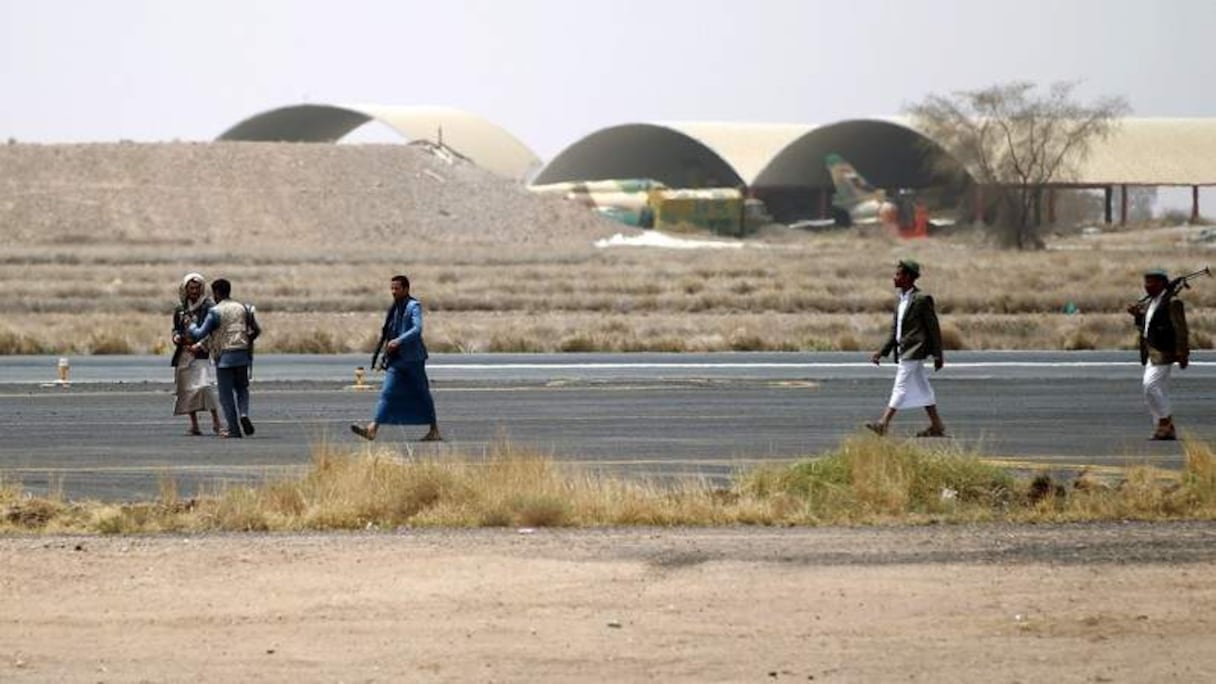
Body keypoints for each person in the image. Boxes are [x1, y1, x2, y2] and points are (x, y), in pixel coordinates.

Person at [351, 274, 441, 442]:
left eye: (397, 288)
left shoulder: (413, 306)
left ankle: (434, 430)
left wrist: (399, 341)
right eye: (391, 288)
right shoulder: (395, 308)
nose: (393, 291)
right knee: (387, 392)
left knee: (422, 393)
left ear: (406, 289)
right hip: (397, 360)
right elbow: (389, 332)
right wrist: (384, 355)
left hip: (413, 359)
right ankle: (372, 429)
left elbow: (417, 329)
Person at [866, 259, 948, 437]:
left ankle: (883, 423)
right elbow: (895, 331)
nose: (894, 277)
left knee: (900, 386)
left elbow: (933, 328)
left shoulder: (921, 299)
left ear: (908, 277)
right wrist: (883, 351)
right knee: (922, 387)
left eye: (898, 274)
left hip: (914, 350)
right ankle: (937, 425)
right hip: (904, 350)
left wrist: (937, 355)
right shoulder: (901, 300)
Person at [187, 278, 261, 438]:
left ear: (217, 293)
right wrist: (247, 341)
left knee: (226, 395)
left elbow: (201, 333)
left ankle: (234, 429)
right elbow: (256, 330)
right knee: (242, 389)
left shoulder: (215, 312)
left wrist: (192, 325)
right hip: (242, 355)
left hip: (225, 357)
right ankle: (243, 414)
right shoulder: (243, 308)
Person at [1127, 268, 1189, 440]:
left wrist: (1183, 353)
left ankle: (1165, 421)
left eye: (1151, 282)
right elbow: (1147, 326)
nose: (1147, 286)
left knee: (1151, 385)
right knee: (1152, 389)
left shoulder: (1173, 302)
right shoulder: (1150, 303)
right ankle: (1163, 426)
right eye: (1146, 282)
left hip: (1164, 351)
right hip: (1151, 351)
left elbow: (1181, 330)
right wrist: (1137, 315)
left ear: (1162, 283)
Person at [171, 273, 221, 436]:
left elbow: (212, 330)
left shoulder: (208, 307)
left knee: (204, 386)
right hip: (184, 352)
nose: (194, 291)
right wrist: (176, 337)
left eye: (197, 288)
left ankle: (216, 422)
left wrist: (199, 345)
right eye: (191, 288)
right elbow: (176, 329)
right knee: (186, 389)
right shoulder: (180, 309)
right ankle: (194, 425)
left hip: (200, 353)